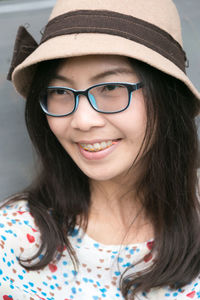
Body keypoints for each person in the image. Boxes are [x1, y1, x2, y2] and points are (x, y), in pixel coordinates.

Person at [1, 0, 200, 299]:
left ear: (166, 97)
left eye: (109, 88)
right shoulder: (12, 237)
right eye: (59, 92)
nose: (81, 121)